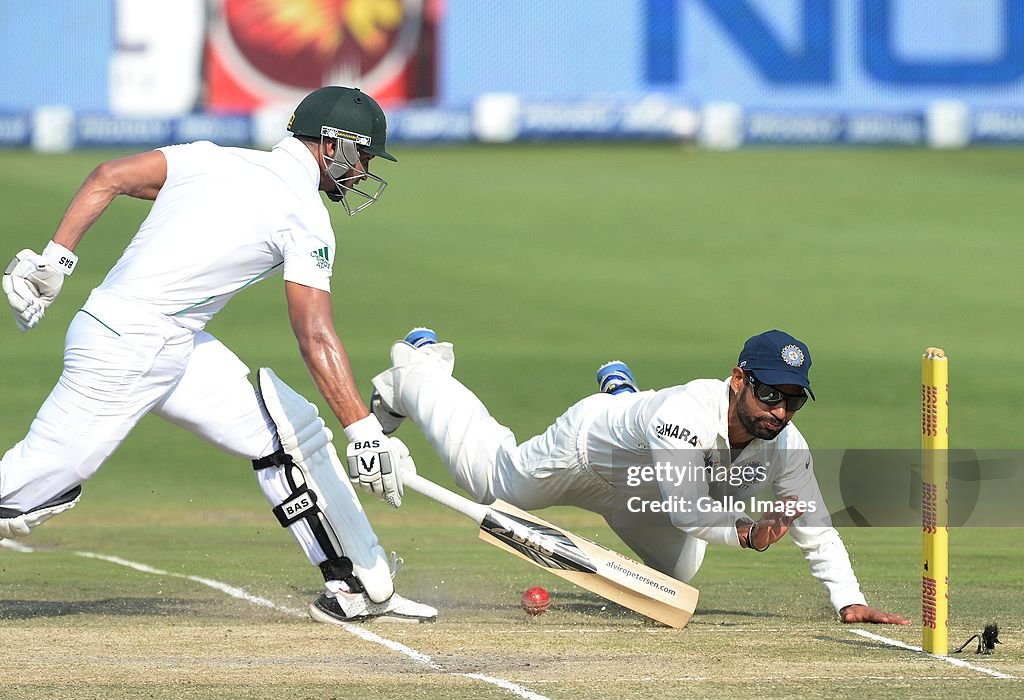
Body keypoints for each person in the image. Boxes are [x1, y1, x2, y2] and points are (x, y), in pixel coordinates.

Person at [0, 86, 436, 625]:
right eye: (364, 155)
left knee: (286, 436)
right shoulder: (303, 213)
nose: (364, 170)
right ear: (332, 145)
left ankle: (354, 586)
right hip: (130, 349)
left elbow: (106, 176)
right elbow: (314, 334)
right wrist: (363, 430)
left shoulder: (208, 157)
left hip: (163, 338)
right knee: (27, 497)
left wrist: (55, 261)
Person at [367, 327, 910, 625]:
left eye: (794, 401)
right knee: (494, 482)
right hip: (583, 454)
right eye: (769, 394)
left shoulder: (785, 446)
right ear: (738, 379)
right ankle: (419, 369)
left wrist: (848, 599)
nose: (780, 412)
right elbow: (689, 511)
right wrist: (746, 532)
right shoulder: (686, 415)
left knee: (683, 570)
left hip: (641, 489)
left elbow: (812, 522)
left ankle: (626, 396)